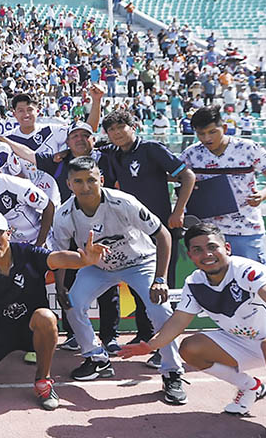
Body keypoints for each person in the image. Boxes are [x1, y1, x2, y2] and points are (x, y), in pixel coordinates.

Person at [117, 222, 266, 438]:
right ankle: (251, 386)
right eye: (198, 250)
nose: (207, 254)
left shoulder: (247, 269)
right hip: (245, 344)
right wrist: (151, 345)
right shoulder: (194, 283)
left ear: (227, 248)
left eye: (212, 247)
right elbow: (178, 321)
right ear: (191, 256)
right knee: (190, 348)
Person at [0, 212, 109, 410]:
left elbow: (58, 259)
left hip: (31, 328)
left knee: (45, 317)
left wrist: (83, 260)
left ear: (9, 233)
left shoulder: (28, 254)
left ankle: (43, 381)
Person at [54, 157, 188, 405]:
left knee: (159, 309)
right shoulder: (63, 214)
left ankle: (172, 372)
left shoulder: (123, 201)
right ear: (69, 184)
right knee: (72, 302)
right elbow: (61, 254)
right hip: (98, 267)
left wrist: (160, 278)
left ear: (101, 180)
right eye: (78, 182)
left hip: (140, 262)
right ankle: (97, 358)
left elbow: (163, 235)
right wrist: (60, 286)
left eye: (91, 180)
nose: (86, 187)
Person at [98, 109, 197, 363]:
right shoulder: (113, 155)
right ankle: (146, 336)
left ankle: (167, 345)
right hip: (134, 233)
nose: (117, 133)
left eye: (122, 127)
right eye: (111, 130)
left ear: (134, 126)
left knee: (162, 286)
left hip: (163, 229)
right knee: (140, 287)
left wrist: (178, 211)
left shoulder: (152, 148)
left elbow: (188, 176)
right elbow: (90, 145)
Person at [181, 107, 266, 264]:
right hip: (208, 234)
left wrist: (262, 195)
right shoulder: (191, 153)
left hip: (246, 229)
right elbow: (176, 177)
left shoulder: (248, 147)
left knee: (253, 279)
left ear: (224, 128)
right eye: (201, 134)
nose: (207, 138)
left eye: (212, 132)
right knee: (216, 283)